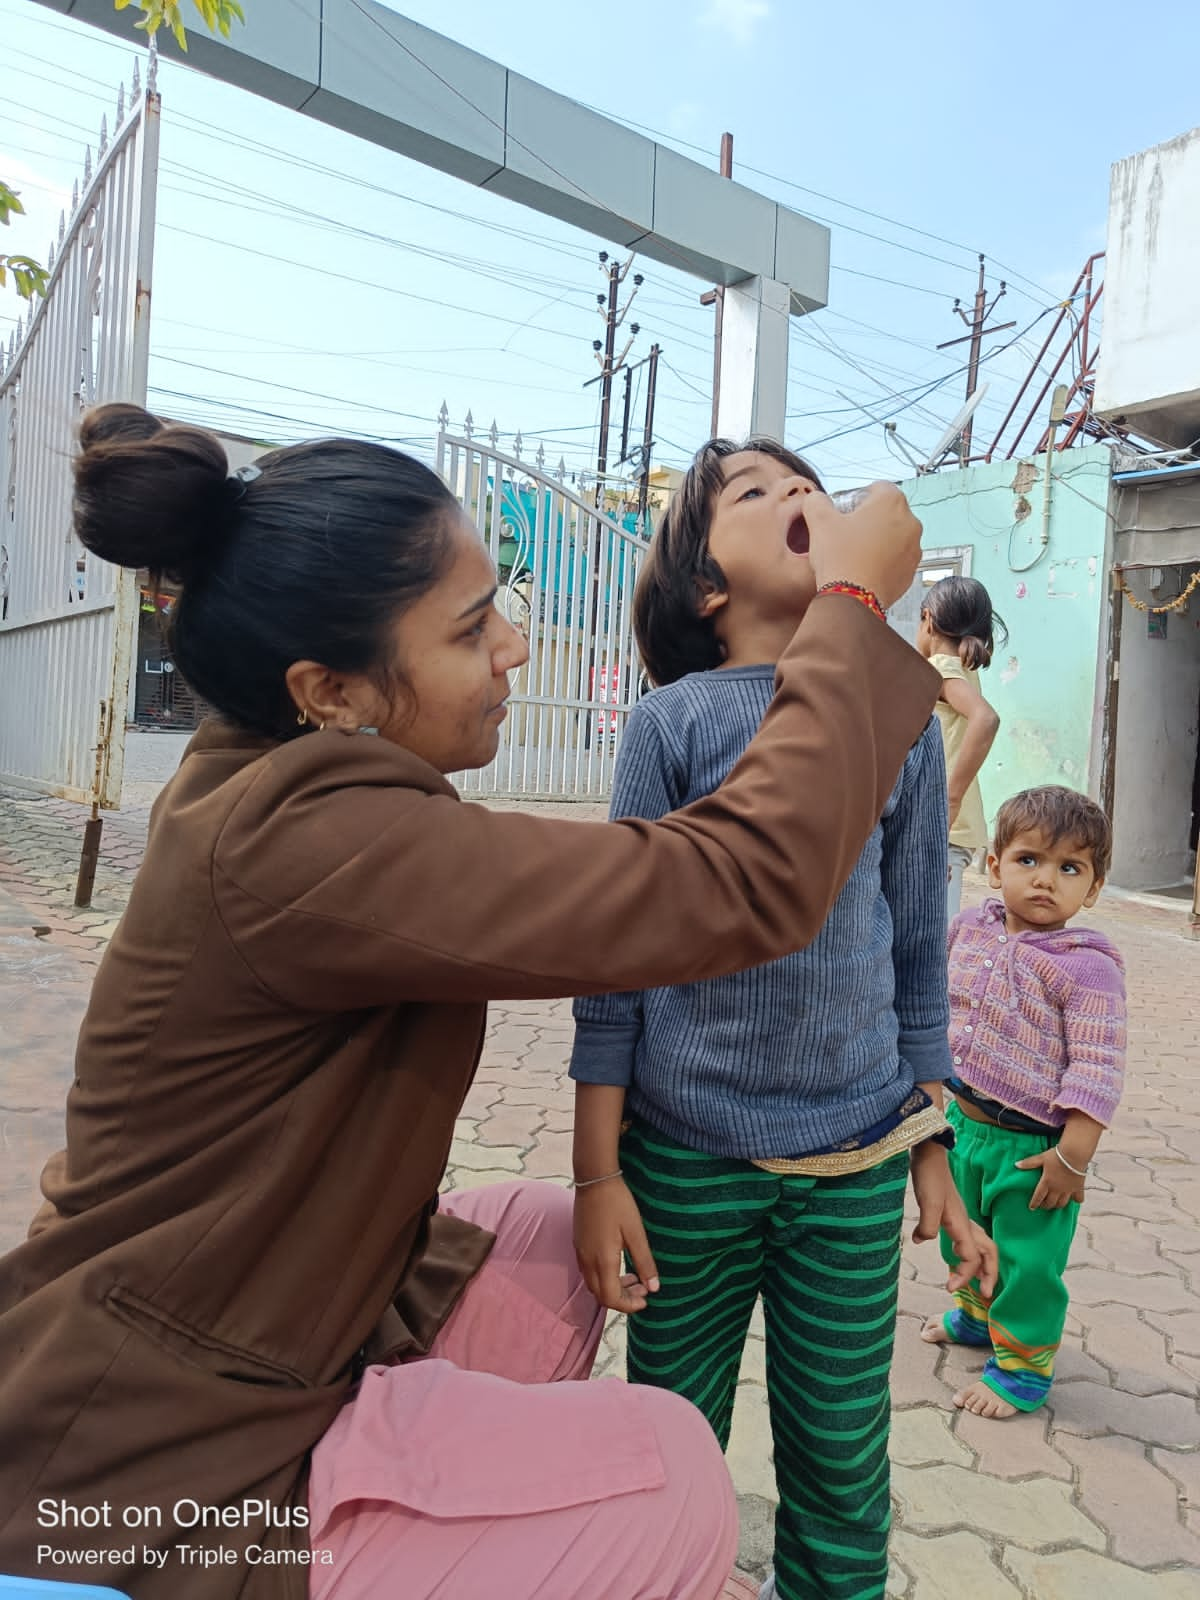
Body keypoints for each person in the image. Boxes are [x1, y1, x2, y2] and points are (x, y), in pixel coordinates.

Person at [0, 406, 938, 1600]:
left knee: (540, 1241)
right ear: (329, 688)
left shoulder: (295, 786)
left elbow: (847, 915)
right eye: (468, 627)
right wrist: (854, 615)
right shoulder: (308, 839)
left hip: (251, 1332)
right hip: (143, 1461)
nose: (514, 648)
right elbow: (732, 884)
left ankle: (411, 1481)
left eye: (500, 604)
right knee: (674, 1475)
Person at [569, 438, 998, 1600]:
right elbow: (612, 965)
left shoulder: (899, 724)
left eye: (805, 479)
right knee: (662, 1447)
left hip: (856, 1160)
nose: (798, 494)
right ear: (706, 588)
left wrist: (934, 1152)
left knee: (843, 1464)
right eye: (755, 493)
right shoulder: (672, 726)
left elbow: (919, 947)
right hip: (684, 1157)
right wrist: (596, 1173)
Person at [921, 785, 1126, 1419]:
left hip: (1036, 1150)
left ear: (1091, 889)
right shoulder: (968, 930)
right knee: (965, 1237)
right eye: (1029, 860)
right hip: (961, 1126)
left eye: (1070, 869)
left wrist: (1074, 1159)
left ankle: (1023, 1369)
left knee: (1029, 1261)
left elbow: (1099, 1068)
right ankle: (980, 1316)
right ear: (994, 865)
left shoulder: (1086, 967)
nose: (1046, 880)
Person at [915, 575, 1005, 917]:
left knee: (935, 932)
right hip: (949, 821)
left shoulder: (941, 668)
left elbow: (986, 719)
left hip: (943, 821)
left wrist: (949, 799)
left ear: (929, 620)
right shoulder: (964, 668)